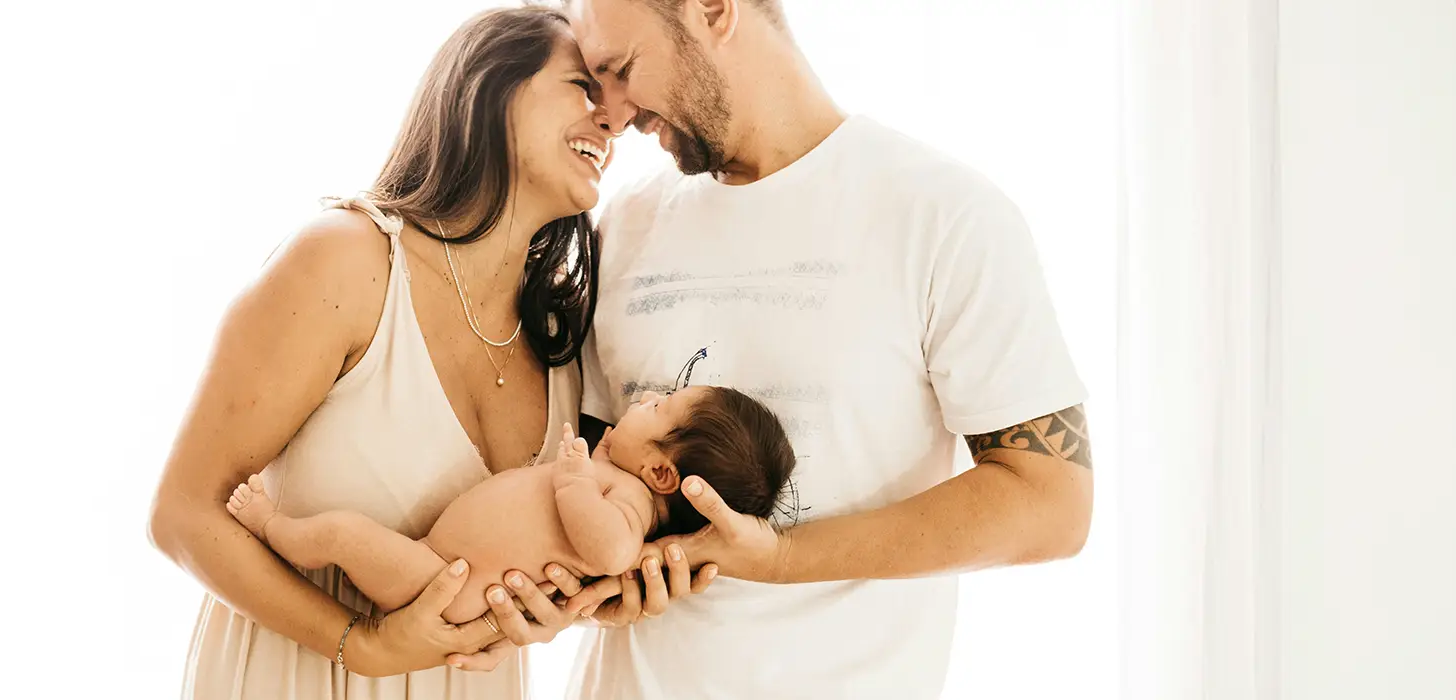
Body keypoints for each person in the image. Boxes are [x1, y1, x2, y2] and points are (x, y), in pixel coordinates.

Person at [559, 0, 1097, 697]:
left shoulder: (945, 215)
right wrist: (598, 576)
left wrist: (781, 557)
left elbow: (1052, 501)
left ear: (714, 10)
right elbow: (597, 473)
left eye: (622, 70)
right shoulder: (623, 224)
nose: (616, 114)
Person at [146, 6, 622, 697]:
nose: (611, 120)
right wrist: (360, 646)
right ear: (491, 86)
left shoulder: (562, 341)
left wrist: (544, 609)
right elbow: (182, 515)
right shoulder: (346, 262)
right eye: (584, 85)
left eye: (620, 110)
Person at [224, 387, 795, 626]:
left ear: (663, 474)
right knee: (352, 534)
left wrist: (574, 478)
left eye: (661, 405)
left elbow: (613, 549)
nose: (643, 398)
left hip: (445, 586)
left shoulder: (630, 508)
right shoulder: (618, 476)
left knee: (343, 535)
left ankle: (271, 525)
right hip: (438, 565)